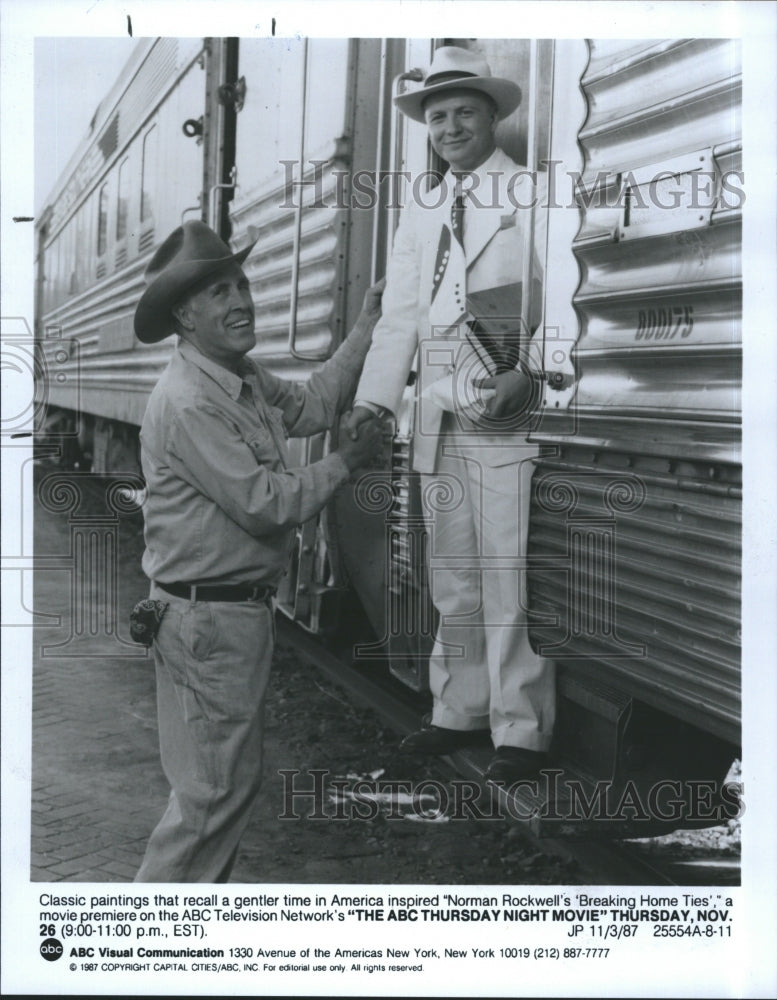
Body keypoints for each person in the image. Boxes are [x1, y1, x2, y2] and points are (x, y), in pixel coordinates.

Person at [132, 220, 383, 881]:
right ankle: (139, 948)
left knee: (222, 792)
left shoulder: (234, 375)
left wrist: (369, 324)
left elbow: (309, 406)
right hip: (206, 624)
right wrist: (348, 463)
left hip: (223, 620)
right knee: (210, 797)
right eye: (220, 291)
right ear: (186, 315)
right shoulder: (189, 401)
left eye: (241, 283)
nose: (242, 300)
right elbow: (265, 504)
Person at [346, 46, 555, 784]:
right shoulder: (425, 207)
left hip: (502, 408)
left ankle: (519, 730)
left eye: (464, 112)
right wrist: (373, 400)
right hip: (433, 408)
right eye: (438, 116)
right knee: (452, 571)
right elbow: (399, 314)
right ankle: (455, 709)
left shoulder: (531, 193)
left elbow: (556, 298)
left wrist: (528, 373)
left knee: (504, 571)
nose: (450, 126)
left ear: (492, 117)